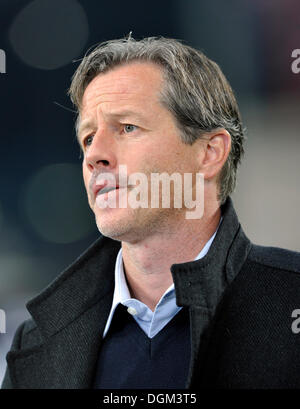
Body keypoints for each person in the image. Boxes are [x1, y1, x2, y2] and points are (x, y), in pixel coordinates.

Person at [2, 36, 300, 389]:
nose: (94, 155)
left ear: (209, 153)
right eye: (87, 138)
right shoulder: (37, 340)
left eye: (127, 128)